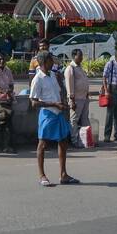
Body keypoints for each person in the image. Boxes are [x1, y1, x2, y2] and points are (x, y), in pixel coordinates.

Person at [30, 52, 77, 186]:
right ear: (44, 62)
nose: (54, 63)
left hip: (58, 113)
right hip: (47, 113)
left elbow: (58, 93)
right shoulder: (37, 79)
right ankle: (42, 175)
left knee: (63, 141)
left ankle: (63, 174)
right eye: (51, 60)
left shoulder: (53, 75)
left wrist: (65, 103)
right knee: (42, 144)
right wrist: (54, 104)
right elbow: (34, 102)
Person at [63, 49, 91, 146]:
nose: (81, 58)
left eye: (82, 56)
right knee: (74, 120)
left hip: (84, 98)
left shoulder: (80, 68)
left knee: (84, 120)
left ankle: (85, 140)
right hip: (76, 100)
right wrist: (72, 101)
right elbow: (69, 86)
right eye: (79, 56)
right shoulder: (70, 69)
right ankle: (74, 141)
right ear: (74, 56)